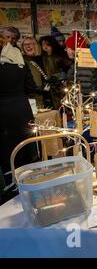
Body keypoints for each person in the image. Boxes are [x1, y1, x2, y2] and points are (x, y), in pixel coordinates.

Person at [0, 36, 38, 202]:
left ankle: (10, 188)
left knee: (6, 150)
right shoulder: (19, 59)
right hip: (22, 108)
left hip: (3, 111)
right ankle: (30, 185)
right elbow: (31, 87)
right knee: (25, 146)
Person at [66, 31, 97, 96]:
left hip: (83, 99)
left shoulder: (79, 65)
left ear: (74, 49)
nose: (66, 51)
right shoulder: (90, 61)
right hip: (91, 97)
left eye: (68, 48)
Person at [39, 35, 69, 108]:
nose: (45, 47)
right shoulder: (42, 57)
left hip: (59, 85)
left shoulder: (60, 56)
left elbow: (67, 70)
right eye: (43, 45)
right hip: (47, 86)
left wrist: (56, 77)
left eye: (48, 45)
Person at [21, 37, 46, 108]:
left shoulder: (45, 58)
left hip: (48, 95)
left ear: (36, 45)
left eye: (31, 44)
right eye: (25, 44)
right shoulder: (22, 61)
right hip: (32, 96)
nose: (28, 46)